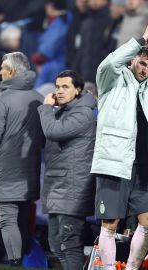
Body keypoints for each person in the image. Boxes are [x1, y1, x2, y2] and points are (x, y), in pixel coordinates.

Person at [91, 20, 148, 270]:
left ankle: (131, 268)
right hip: (114, 163)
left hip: (142, 165)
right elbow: (110, 62)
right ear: (132, 60)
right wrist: (142, 40)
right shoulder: (111, 79)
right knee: (110, 224)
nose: (145, 69)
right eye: (141, 63)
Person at [0, 52, 44, 266]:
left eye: (2, 68)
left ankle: (15, 262)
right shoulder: (39, 98)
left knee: (7, 219)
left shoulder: (2, 100)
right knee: (23, 218)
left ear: (13, 71)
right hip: (30, 170)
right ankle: (25, 260)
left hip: (5, 169)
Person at [38, 70, 97, 270]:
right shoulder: (64, 111)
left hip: (73, 188)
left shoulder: (83, 113)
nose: (60, 91)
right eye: (57, 86)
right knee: (56, 244)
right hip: (59, 186)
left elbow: (53, 131)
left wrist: (46, 108)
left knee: (70, 244)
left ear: (78, 90)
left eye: (65, 87)